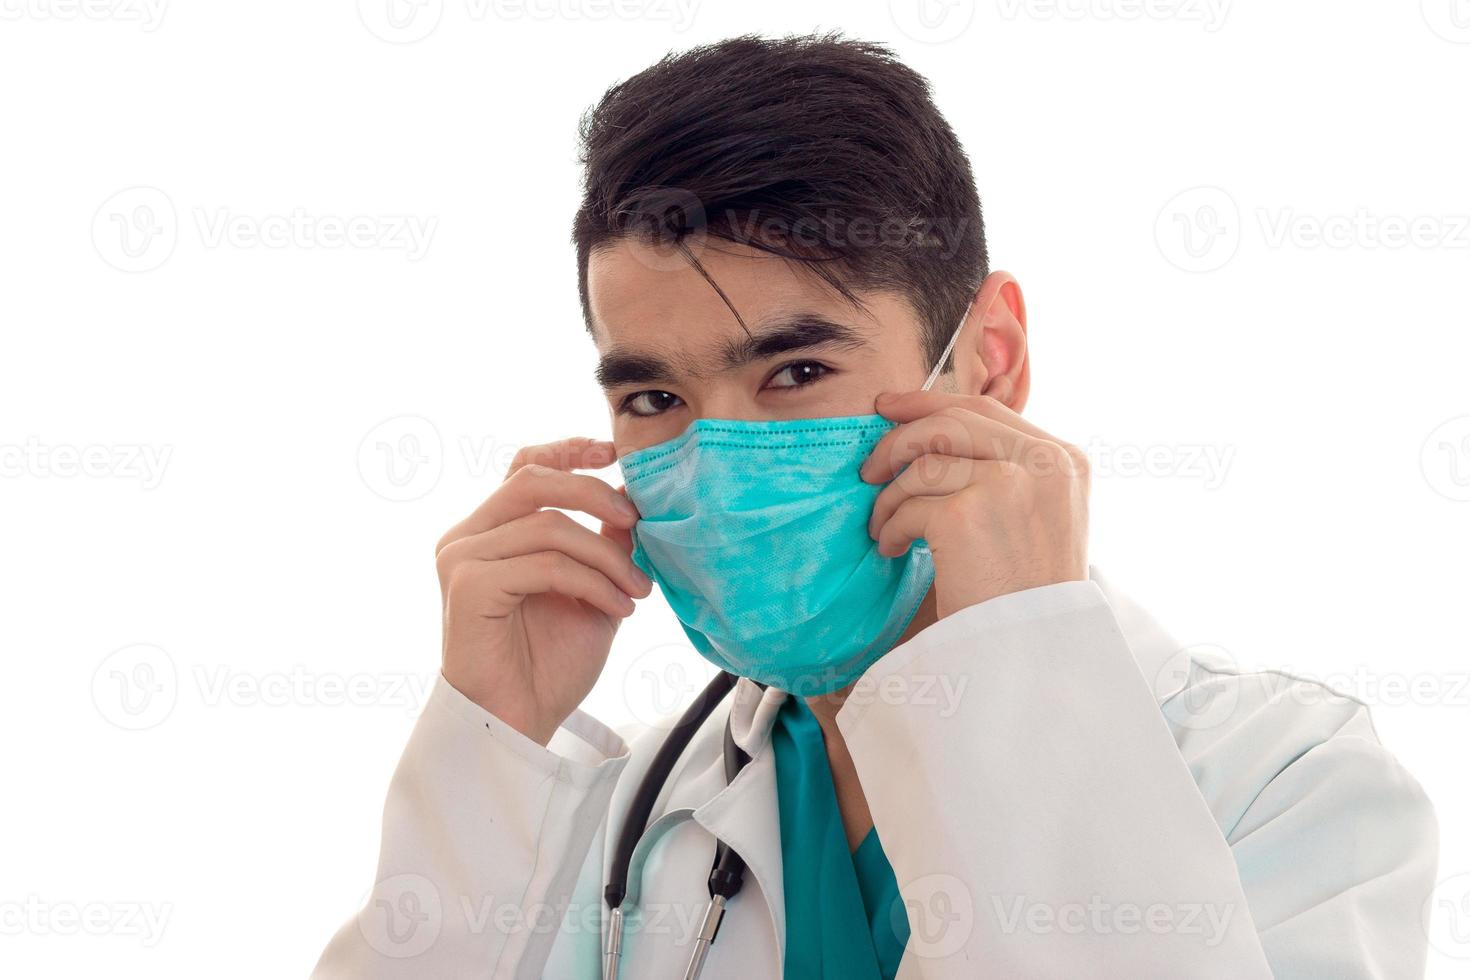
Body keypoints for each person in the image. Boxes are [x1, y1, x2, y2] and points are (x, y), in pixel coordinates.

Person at [311, 35, 1437, 979]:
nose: (725, 457)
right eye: (657, 396)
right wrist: (486, 747)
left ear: (988, 362)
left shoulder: (1291, 786)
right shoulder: (615, 821)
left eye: (797, 374)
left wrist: (1020, 655)